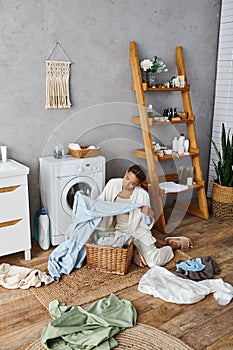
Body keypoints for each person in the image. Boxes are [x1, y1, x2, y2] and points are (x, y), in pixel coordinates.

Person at [97, 164, 174, 268]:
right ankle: (134, 251)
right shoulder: (112, 184)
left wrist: (149, 213)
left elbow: (147, 222)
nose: (126, 184)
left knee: (153, 262)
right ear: (125, 173)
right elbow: (98, 204)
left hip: (137, 231)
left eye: (132, 183)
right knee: (105, 250)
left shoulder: (142, 195)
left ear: (138, 184)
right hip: (117, 231)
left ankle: (171, 246)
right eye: (126, 178)